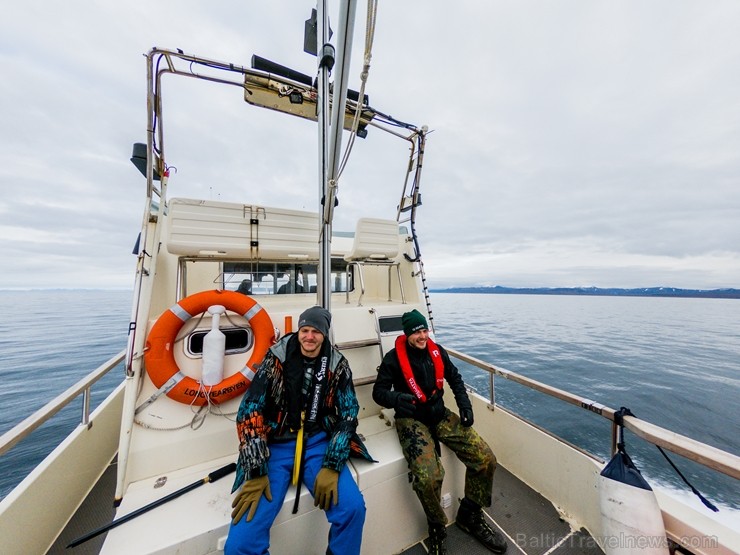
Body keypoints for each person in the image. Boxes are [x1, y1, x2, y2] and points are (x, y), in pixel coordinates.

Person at [225, 306, 373, 555]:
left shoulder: (337, 365)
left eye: (316, 331)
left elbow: (348, 414)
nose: (309, 336)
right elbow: (249, 411)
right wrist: (257, 468)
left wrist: (333, 464)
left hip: (318, 443)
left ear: (324, 335)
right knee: (240, 543)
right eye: (305, 330)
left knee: (353, 509)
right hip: (274, 447)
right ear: (298, 331)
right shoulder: (275, 359)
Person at [372, 309, 508, 555]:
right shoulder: (393, 359)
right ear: (407, 333)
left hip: (439, 413)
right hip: (411, 419)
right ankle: (437, 527)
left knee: (485, 458)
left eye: (424, 330)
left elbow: (455, 379)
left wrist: (464, 405)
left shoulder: (437, 352)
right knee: (428, 477)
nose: (422, 336)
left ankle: (469, 515)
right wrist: (396, 398)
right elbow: (378, 392)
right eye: (416, 332)